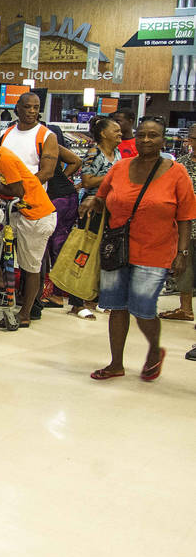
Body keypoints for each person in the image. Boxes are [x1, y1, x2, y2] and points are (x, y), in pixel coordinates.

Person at [79, 117, 196, 381]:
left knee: (143, 308)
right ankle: (116, 363)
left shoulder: (177, 172)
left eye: (152, 135)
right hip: (116, 248)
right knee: (117, 307)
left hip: (155, 251)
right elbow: (102, 197)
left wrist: (182, 252)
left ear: (162, 139)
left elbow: (186, 217)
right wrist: (91, 202)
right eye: (142, 135)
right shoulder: (119, 168)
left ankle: (154, 351)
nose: (146, 140)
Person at [0, 125, 57, 330]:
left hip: (36, 215)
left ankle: (25, 313)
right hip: (19, 214)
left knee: (31, 267)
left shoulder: (6, 158)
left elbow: (17, 190)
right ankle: (1, 283)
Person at [65, 117, 123, 320]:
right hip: (92, 208)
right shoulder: (94, 152)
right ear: (103, 133)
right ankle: (76, 302)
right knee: (84, 252)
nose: (120, 133)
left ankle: (95, 298)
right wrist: (115, 176)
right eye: (115, 130)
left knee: (104, 254)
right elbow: (87, 181)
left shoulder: (116, 153)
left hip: (110, 209)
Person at [39, 122, 83, 310]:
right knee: (58, 247)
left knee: (54, 247)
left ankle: (58, 294)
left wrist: (57, 180)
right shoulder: (50, 143)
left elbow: (76, 161)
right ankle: (59, 292)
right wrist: (63, 177)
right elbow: (76, 161)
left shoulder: (43, 142)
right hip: (67, 196)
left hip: (57, 200)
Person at [161, 124, 196, 327]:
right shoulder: (180, 165)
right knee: (185, 266)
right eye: (192, 138)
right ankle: (185, 308)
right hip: (185, 226)